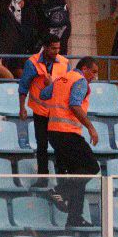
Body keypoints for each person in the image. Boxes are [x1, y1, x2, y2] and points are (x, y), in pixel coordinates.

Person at [41, 58, 101, 227]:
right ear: (84, 68)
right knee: (91, 167)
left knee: (77, 172)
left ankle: (74, 217)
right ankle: (59, 191)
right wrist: (90, 127)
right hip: (68, 133)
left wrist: (49, 83)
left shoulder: (61, 79)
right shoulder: (80, 81)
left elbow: (44, 94)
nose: (94, 77)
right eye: (93, 72)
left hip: (53, 132)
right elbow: (74, 104)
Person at [17, 35, 70, 184]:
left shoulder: (65, 63)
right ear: (45, 47)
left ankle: (62, 178)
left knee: (60, 144)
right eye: (53, 48)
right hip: (40, 110)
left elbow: (67, 86)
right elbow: (24, 86)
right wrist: (22, 108)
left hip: (57, 112)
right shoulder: (32, 63)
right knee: (42, 145)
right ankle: (43, 177)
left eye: (58, 48)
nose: (56, 51)